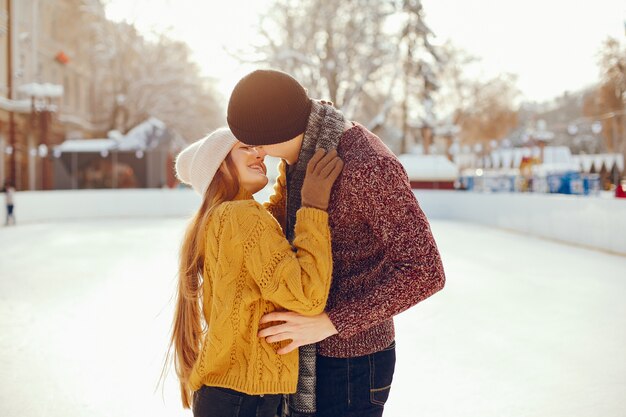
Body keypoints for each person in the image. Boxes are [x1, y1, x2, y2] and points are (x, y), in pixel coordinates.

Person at [226, 69, 446, 417]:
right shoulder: (305, 154)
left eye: (255, 143)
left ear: (274, 134)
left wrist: (330, 322)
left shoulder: (367, 166)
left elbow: (425, 270)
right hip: (306, 352)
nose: (258, 154)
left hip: (352, 364)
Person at [163, 127, 344, 417]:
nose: (259, 152)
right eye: (245, 148)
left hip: (229, 396)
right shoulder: (243, 216)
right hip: (246, 401)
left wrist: (290, 165)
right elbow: (308, 296)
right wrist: (313, 207)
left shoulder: (222, 216)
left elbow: (268, 233)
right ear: (219, 166)